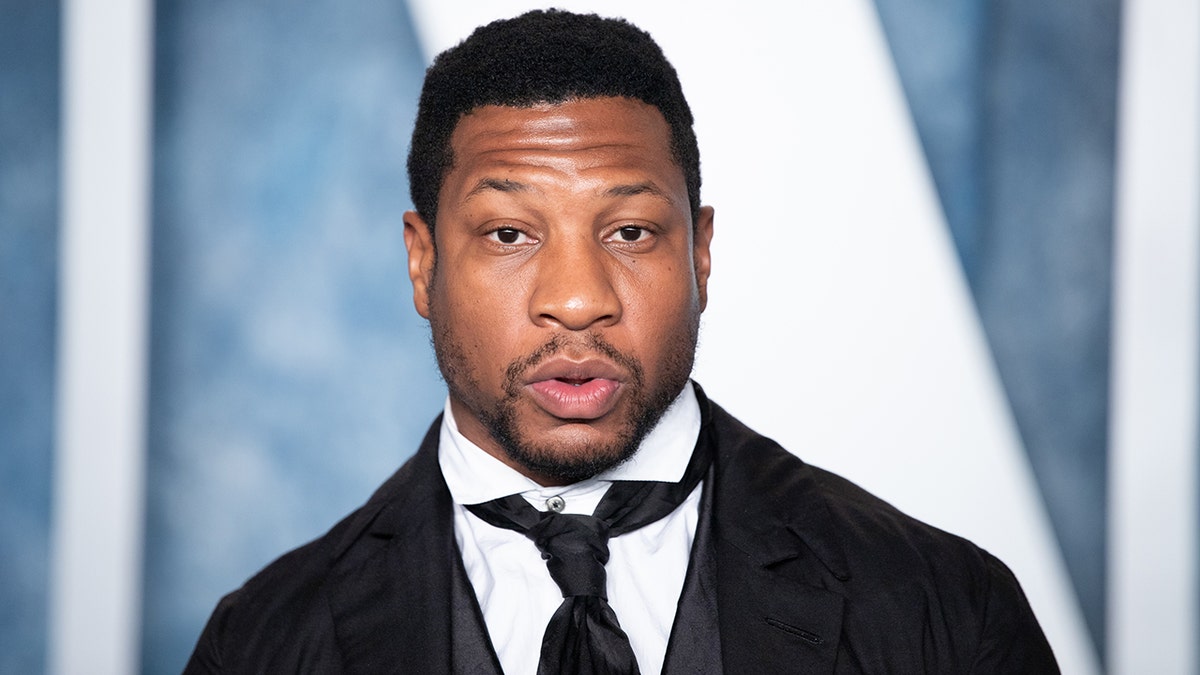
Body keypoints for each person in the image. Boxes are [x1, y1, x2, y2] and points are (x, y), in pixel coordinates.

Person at [185, 9, 1058, 674]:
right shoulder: (261, 643)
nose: (576, 299)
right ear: (422, 264)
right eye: (509, 234)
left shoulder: (947, 613)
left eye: (631, 231)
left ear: (701, 252)